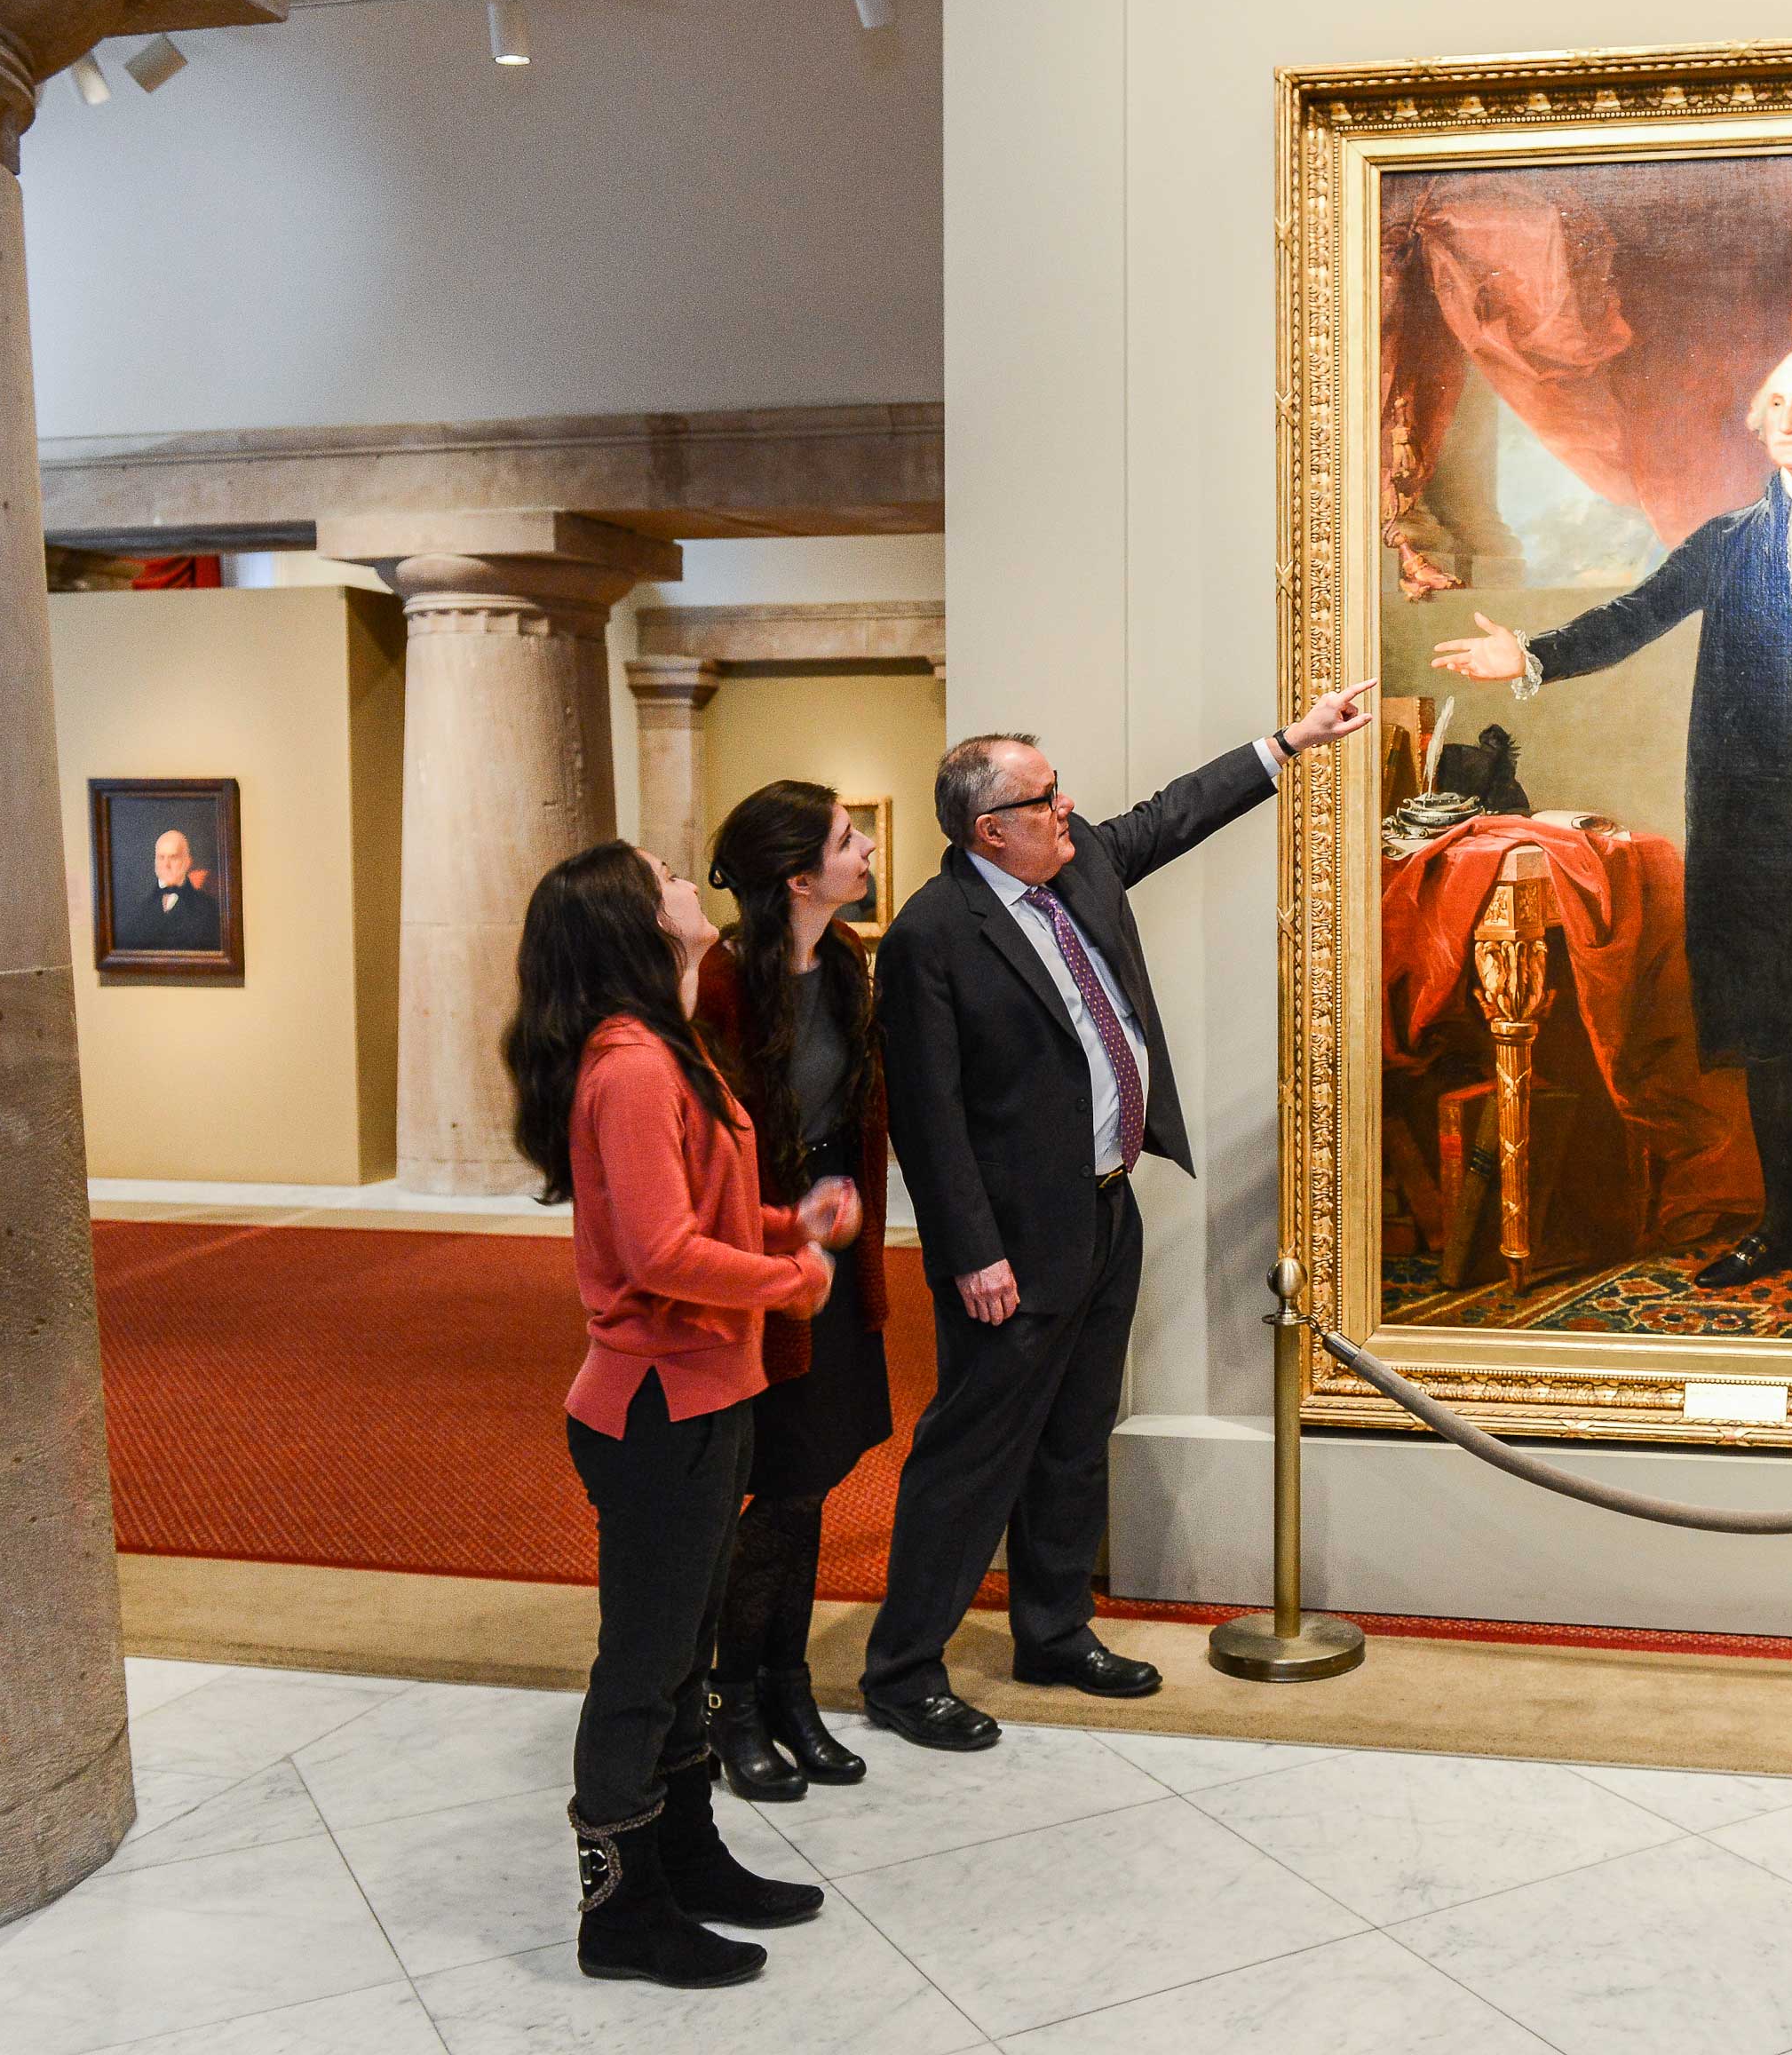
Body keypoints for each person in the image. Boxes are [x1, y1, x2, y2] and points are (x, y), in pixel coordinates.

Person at [1431, 342, 1792, 1315]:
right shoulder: (1727, 541)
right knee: (1771, 1036)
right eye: (1773, 399)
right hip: (1755, 831)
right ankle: (1783, 1221)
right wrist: (1529, 654)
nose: (1784, 416)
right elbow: (1633, 615)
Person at [860, 686, 1377, 1752]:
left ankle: (1054, 1631)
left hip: (1104, 1209)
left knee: (1072, 1439)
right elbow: (927, 1118)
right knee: (972, 1457)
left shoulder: (1078, 863)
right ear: (988, 831)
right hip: (1009, 1246)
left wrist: (1291, 742)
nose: (1071, 810)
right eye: (1046, 800)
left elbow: (1172, 814)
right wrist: (973, 1255)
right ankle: (903, 1670)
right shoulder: (932, 937)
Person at [501, 838, 860, 1988]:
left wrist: (779, 1227)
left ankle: (689, 1859)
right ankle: (619, 1912)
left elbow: (694, 1209)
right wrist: (790, 1282)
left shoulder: (665, 1045)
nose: (683, 885)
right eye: (662, 876)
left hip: (708, 1393)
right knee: (643, 1667)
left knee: (685, 1653)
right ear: (628, 925)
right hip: (657, 1411)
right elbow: (656, 1254)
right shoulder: (634, 1066)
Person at [691, 782, 892, 1802]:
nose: (866, 855)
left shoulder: (848, 961)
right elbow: (708, 1153)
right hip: (764, 1260)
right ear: (800, 879)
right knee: (775, 1484)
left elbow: (856, 1102)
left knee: (809, 1478)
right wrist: (784, 1238)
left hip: (834, 1244)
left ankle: (787, 1684)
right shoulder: (722, 984)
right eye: (849, 843)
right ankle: (732, 1702)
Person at [121, 827, 222, 949]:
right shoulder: (137, 908)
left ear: (188, 862)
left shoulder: (209, 909)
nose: (166, 865)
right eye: (161, 857)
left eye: (173, 857)